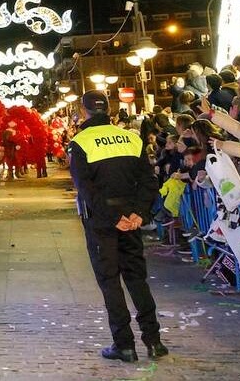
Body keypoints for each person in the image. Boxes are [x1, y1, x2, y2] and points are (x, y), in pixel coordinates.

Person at [67, 90, 167, 363]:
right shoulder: (131, 138)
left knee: (110, 282)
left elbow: (86, 189)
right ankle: (154, 340)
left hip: (102, 221)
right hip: (131, 219)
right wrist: (138, 213)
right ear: (109, 109)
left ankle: (124, 344)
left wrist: (112, 217)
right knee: (137, 279)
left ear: (83, 110)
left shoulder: (80, 142)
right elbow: (149, 180)